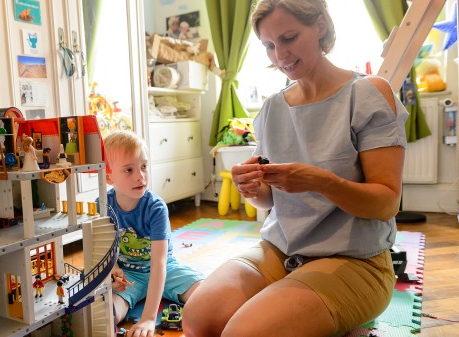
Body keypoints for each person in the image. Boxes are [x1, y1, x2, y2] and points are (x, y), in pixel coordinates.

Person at [182, 1, 408, 336]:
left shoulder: (367, 94)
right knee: (198, 319)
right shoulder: (273, 108)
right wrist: (255, 189)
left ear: (319, 26)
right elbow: (269, 202)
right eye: (269, 46)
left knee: (242, 333)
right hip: (282, 249)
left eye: (289, 38)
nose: (280, 55)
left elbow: (386, 203)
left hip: (357, 259)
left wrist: (321, 182)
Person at [102, 130, 204, 337]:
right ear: (109, 176)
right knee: (105, 315)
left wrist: (148, 318)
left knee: (208, 298)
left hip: (166, 271)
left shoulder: (155, 207)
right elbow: (104, 249)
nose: (141, 176)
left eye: (144, 167)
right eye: (129, 170)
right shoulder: (103, 206)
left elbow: (159, 263)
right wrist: (114, 269)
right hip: (129, 276)